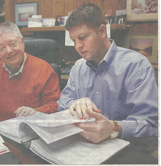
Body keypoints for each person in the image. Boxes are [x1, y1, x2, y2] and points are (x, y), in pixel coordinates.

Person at [57, 4, 158, 143]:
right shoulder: (78, 68)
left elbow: (150, 124)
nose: (78, 46)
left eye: (83, 37)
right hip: (84, 145)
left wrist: (113, 128)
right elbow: (62, 103)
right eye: (73, 40)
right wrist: (75, 104)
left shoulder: (136, 65)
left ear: (103, 31)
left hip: (126, 150)